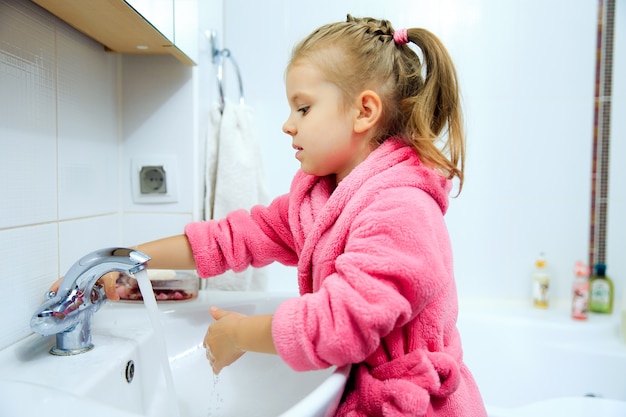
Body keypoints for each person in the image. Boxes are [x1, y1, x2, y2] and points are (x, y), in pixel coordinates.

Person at [58, 14, 487, 416]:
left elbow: (340, 324)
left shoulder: (401, 209)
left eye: (303, 108)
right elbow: (232, 238)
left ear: (364, 111)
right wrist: (122, 261)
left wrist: (240, 334)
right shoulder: (321, 202)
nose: (287, 124)